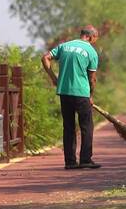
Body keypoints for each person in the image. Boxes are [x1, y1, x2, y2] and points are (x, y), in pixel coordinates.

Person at [41, 25, 102, 170]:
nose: (94, 42)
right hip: (81, 93)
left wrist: (54, 78)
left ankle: (70, 162)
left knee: (68, 126)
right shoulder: (91, 52)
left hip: (64, 92)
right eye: (95, 40)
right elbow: (92, 78)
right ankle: (85, 160)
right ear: (91, 37)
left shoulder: (64, 46)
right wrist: (91, 96)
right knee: (86, 126)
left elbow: (45, 58)